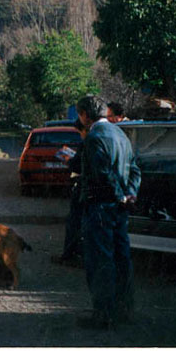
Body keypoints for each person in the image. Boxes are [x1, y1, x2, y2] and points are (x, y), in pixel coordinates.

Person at [76, 95, 141, 330]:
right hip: (119, 209)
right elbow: (135, 169)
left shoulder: (94, 137)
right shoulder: (120, 134)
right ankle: (125, 311)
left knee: (100, 261)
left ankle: (103, 315)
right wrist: (130, 194)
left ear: (85, 115)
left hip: (100, 207)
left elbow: (103, 174)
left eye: (79, 115)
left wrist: (120, 195)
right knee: (121, 258)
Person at [52, 119, 87, 267]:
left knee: (74, 223)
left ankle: (70, 255)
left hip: (83, 187)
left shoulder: (88, 141)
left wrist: (69, 160)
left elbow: (78, 166)